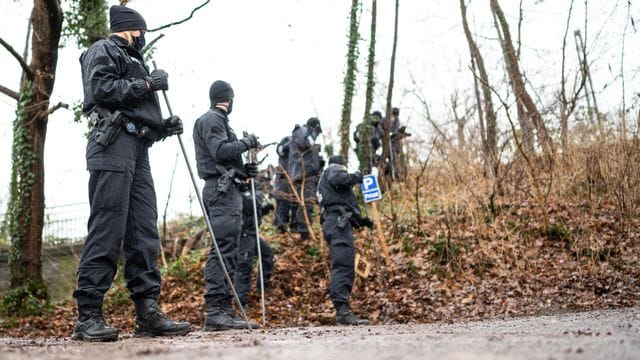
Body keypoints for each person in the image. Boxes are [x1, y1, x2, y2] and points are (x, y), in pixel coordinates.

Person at [72, 5, 190, 341]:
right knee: (108, 226)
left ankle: (147, 312)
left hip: (138, 148)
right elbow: (101, 90)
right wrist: (148, 84)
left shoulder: (135, 60)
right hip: (111, 145)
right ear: (132, 29)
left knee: (143, 231)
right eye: (142, 32)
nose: (144, 38)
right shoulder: (103, 49)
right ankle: (88, 315)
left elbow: (136, 111)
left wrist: (163, 126)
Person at [193, 80, 261, 331]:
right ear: (229, 100)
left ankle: (224, 309)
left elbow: (226, 160)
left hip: (228, 189)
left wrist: (245, 173)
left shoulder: (218, 121)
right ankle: (215, 311)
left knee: (229, 248)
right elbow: (220, 151)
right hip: (219, 191)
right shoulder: (212, 119)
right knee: (222, 249)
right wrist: (247, 143)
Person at [317, 155, 373, 325]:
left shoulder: (325, 181)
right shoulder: (333, 170)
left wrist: (361, 221)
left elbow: (339, 203)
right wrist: (357, 176)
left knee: (344, 263)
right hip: (337, 225)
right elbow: (338, 179)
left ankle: (342, 309)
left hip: (335, 223)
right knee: (343, 265)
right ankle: (342, 310)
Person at [235, 182, 275, 309]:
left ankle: (262, 286)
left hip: (252, 234)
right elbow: (249, 206)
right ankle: (240, 300)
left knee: (267, 254)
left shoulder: (251, 192)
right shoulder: (241, 192)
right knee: (244, 265)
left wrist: (263, 210)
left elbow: (252, 212)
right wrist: (247, 192)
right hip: (244, 234)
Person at [288, 117, 323, 240]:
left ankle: (303, 230)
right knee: (305, 202)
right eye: (317, 132)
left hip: (305, 173)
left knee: (305, 202)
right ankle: (304, 232)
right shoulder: (303, 131)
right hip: (303, 174)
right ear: (315, 127)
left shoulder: (305, 134)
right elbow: (304, 143)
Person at [272, 134, 296, 234]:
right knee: (282, 203)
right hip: (283, 178)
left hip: (295, 178)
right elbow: (280, 149)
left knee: (295, 204)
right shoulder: (287, 140)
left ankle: (293, 227)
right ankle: (280, 227)